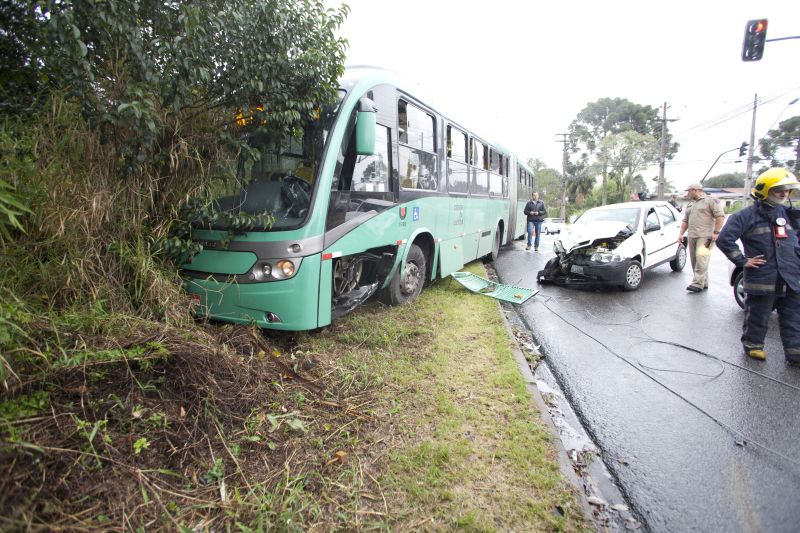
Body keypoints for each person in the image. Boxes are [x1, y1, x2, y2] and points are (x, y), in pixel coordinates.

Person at [716, 168, 800, 364]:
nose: (784, 194)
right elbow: (724, 240)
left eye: (787, 190)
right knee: (758, 316)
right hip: (763, 278)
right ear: (765, 190)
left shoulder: (790, 215)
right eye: (779, 189)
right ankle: (753, 346)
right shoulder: (745, 216)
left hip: (790, 278)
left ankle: (795, 353)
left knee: (793, 317)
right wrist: (743, 261)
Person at [677, 183, 725, 292]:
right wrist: (681, 234)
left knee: (701, 259)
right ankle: (704, 282)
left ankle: (697, 283)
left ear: (695, 190)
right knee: (694, 260)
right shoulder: (690, 204)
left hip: (706, 236)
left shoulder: (711, 201)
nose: (688, 193)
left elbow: (720, 216)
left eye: (689, 191)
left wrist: (716, 232)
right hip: (692, 235)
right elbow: (685, 220)